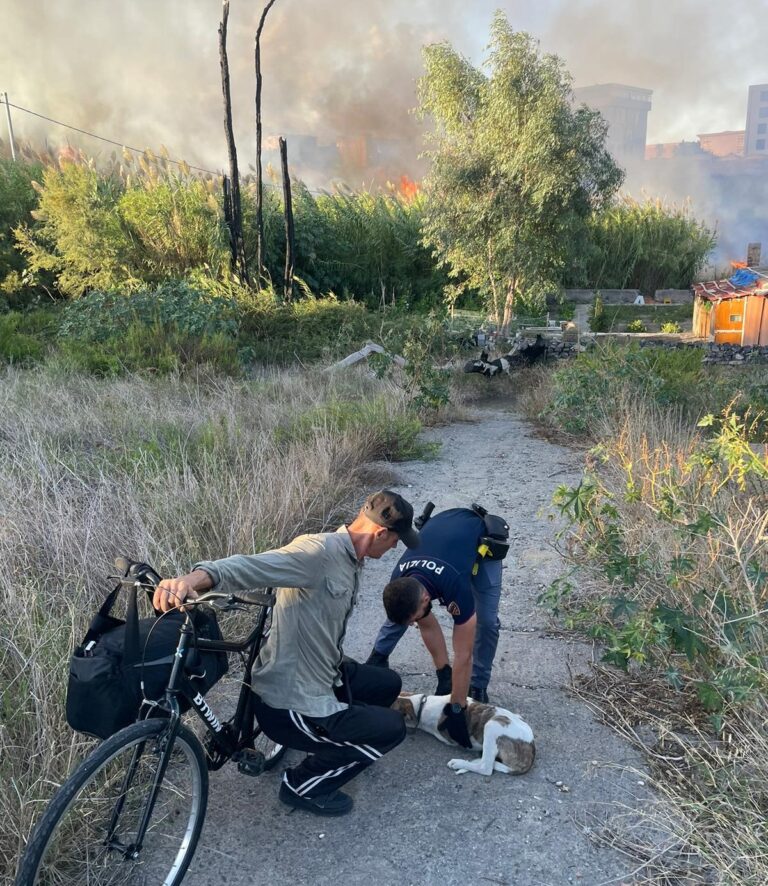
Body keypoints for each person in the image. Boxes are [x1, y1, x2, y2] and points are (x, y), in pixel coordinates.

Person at [153, 490, 420, 817]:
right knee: (392, 728)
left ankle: (343, 741)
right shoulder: (318, 552)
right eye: (396, 541)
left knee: (388, 684)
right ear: (381, 533)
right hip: (290, 700)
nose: (395, 548)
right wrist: (189, 580)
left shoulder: (352, 558)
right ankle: (301, 786)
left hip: (324, 674)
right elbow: (250, 566)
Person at [366, 505, 509, 748]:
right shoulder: (401, 580)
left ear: (425, 599)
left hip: (481, 538)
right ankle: (377, 659)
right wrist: (444, 674)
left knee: (486, 622)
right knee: (403, 614)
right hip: (442, 530)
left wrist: (457, 706)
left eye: (417, 616)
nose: (415, 624)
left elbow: (464, 655)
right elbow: (426, 623)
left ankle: (480, 685)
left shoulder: (455, 586)